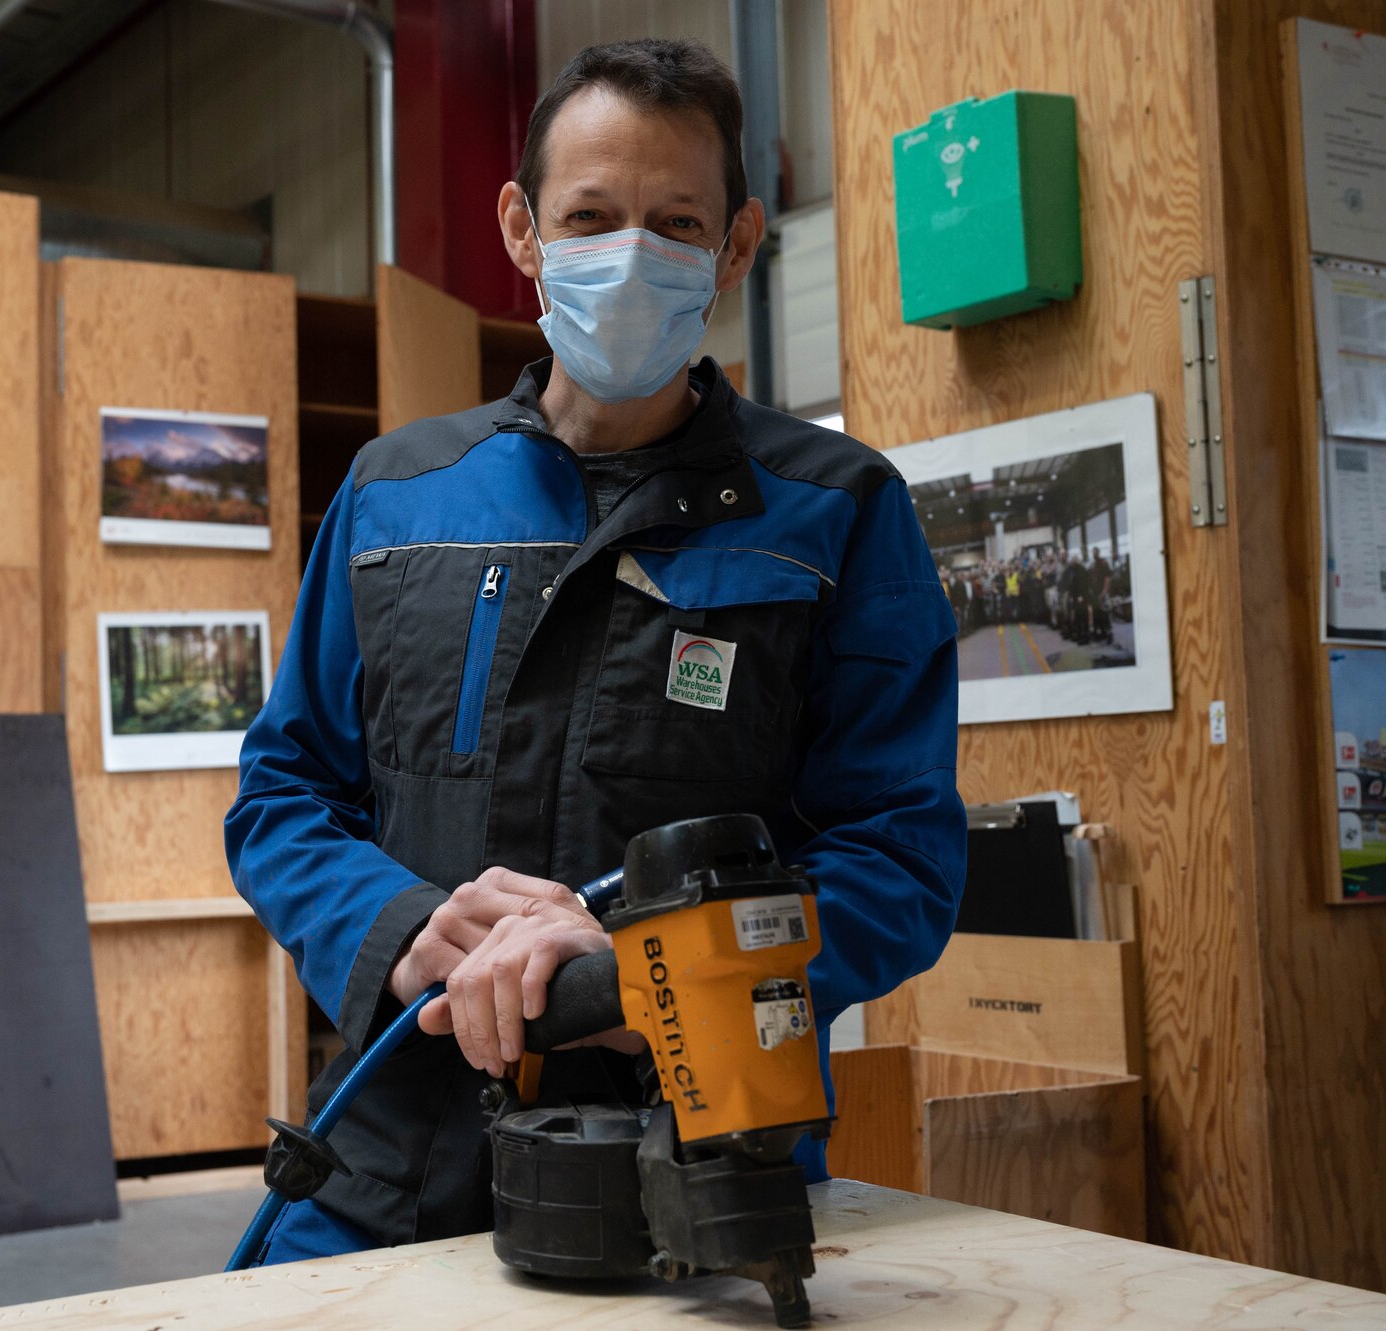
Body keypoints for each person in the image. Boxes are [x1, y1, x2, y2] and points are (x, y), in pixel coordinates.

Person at [225, 38, 965, 1265]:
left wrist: (651, 975)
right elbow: (281, 793)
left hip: (699, 1174)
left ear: (735, 246)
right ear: (521, 227)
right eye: (589, 214)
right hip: (385, 1166)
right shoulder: (396, 493)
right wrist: (400, 925)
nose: (631, 252)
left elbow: (900, 856)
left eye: (675, 222)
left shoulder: (832, 509)